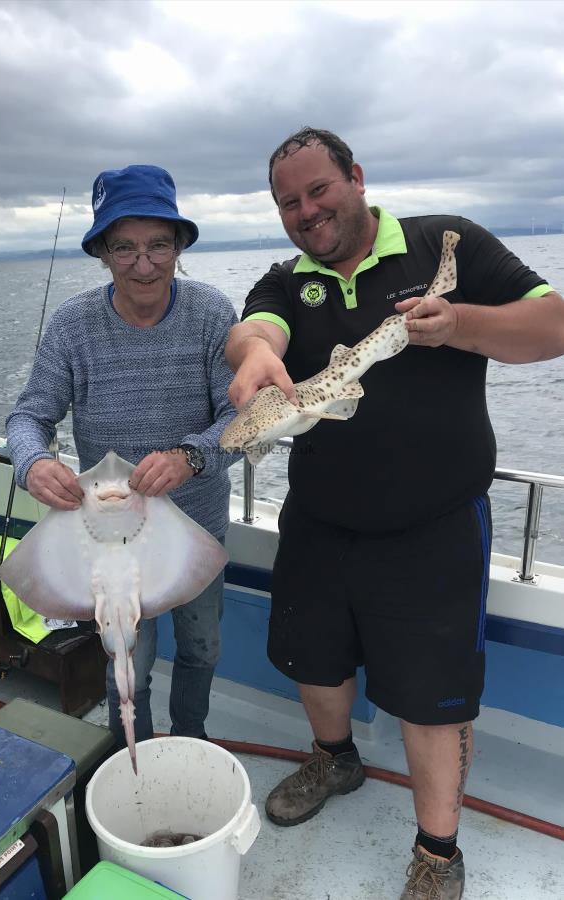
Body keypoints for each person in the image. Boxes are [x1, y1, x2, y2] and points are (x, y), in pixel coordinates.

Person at [225, 127, 564, 900]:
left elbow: (553, 326)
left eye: (319, 190)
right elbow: (255, 330)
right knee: (314, 665)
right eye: (288, 202)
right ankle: (334, 758)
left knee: (428, 700)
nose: (306, 211)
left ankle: (437, 853)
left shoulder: (447, 244)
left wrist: (459, 325)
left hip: (433, 525)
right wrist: (251, 356)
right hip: (317, 521)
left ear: (356, 177)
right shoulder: (286, 279)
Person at [6, 164, 239, 749]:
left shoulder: (212, 314)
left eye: (159, 245)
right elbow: (28, 415)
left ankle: (191, 739)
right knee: (124, 656)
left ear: (179, 246)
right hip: (106, 534)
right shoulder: (73, 325)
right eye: (125, 248)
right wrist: (32, 461)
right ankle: (124, 748)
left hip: (193, 525)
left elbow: (244, 419)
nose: (143, 264)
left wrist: (192, 455)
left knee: (202, 647)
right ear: (103, 254)